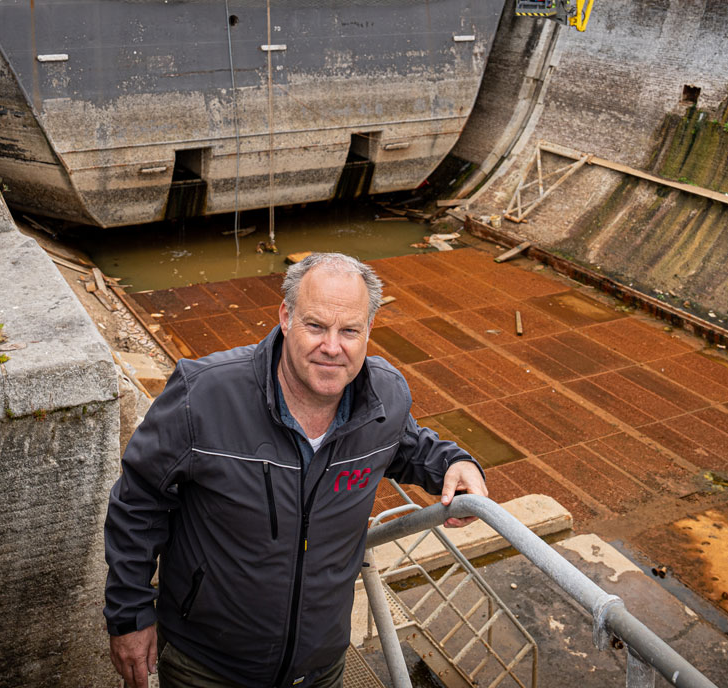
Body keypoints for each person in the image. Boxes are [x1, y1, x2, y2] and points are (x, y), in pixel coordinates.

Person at [104, 253, 488, 688]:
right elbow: (138, 501)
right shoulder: (205, 394)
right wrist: (129, 615)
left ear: (368, 332)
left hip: (320, 665)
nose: (332, 346)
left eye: (349, 331)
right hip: (207, 664)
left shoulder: (385, 395)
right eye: (316, 326)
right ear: (285, 317)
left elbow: (409, 446)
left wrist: (455, 463)